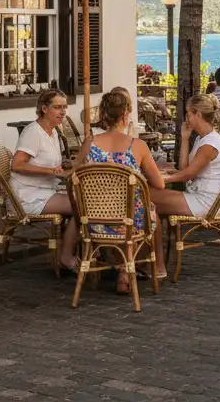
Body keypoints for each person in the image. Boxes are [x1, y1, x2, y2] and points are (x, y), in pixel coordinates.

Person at [76, 88, 165, 293]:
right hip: (130, 223)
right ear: (125, 114)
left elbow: (75, 175)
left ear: (103, 115)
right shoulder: (137, 146)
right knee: (147, 212)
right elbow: (159, 184)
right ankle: (128, 269)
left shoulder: (89, 143)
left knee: (131, 211)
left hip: (94, 222)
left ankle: (118, 266)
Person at [151, 93, 220, 270]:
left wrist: (161, 178)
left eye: (188, 113)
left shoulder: (210, 144)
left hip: (207, 202)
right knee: (148, 202)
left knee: (146, 198)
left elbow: (188, 174)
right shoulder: (203, 139)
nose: (187, 118)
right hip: (199, 195)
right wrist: (185, 138)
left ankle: (156, 263)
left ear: (198, 114)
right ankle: (155, 260)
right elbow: (184, 168)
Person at [9, 89, 78, 270]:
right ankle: (66, 256)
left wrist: (67, 166)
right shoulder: (33, 133)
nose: (62, 112)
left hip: (46, 190)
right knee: (82, 206)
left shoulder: (53, 132)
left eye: (64, 107)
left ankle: (73, 250)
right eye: (57, 107)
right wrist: (51, 171)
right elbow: (17, 164)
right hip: (29, 195)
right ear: (44, 109)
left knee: (85, 200)